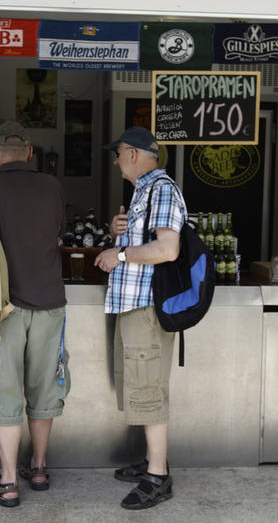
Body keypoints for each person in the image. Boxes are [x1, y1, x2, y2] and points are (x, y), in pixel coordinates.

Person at [0, 121, 69, 508]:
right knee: (43, 389)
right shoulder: (53, 187)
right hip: (50, 305)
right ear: (31, 152)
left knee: (5, 394)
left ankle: (7, 482)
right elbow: (58, 233)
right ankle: (37, 467)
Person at [94, 126, 186, 510]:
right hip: (134, 305)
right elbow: (147, 243)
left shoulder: (162, 188)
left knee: (148, 389)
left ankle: (158, 476)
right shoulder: (143, 193)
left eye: (117, 154)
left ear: (132, 153)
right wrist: (122, 237)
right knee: (139, 385)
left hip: (147, 308)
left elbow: (167, 249)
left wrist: (120, 254)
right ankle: (152, 461)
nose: (115, 162)